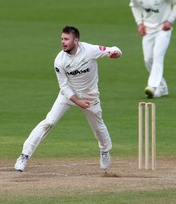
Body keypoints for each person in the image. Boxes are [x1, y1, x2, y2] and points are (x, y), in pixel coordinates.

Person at [14, 26, 122, 172]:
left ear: (76, 41)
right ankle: (24, 156)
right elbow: (64, 87)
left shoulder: (90, 50)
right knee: (49, 121)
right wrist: (78, 101)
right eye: (62, 39)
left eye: (66, 39)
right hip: (68, 96)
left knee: (98, 127)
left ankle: (105, 152)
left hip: (90, 96)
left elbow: (113, 49)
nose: (63, 42)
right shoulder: (60, 60)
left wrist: (115, 54)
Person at [129, 0, 176, 98]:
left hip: (163, 29)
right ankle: (163, 87)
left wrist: (170, 20)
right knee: (148, 59)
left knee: (158, 55)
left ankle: (152, 87)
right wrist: (139, 23)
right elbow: (134, 6)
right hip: (148, 29)